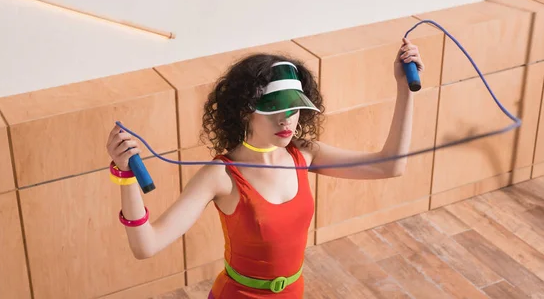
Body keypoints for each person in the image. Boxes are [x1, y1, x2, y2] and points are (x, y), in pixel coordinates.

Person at [106, 38, 424, 298]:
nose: (286, 120)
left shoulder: (304, 154)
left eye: (294, 108)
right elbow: (146, 245)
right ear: (246, 111)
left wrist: (404, 88)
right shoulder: (221, 176)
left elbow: (391, 166)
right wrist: (125, 176)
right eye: (273, 109)